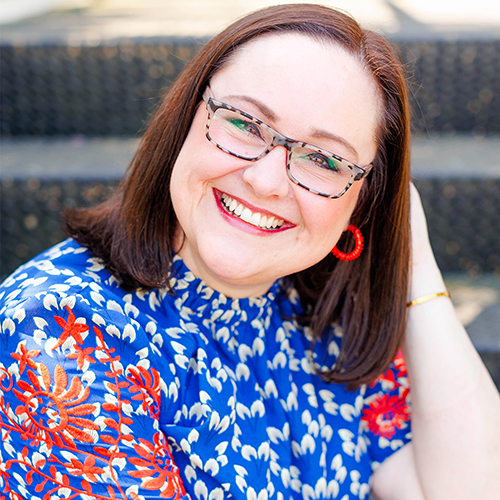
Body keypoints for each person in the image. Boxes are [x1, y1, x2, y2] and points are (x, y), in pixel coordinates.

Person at [0, 4, 499, 500]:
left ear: (363, 198)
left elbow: (468, 488)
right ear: (187, 118)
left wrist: (412, 260)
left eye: (324, 160)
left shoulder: (325, 312)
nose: (265, 181)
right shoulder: (59, 328)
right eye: (244, 123)